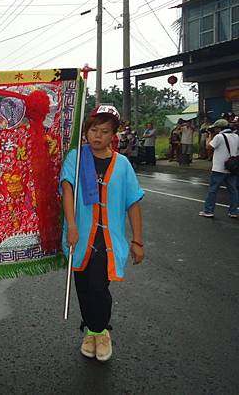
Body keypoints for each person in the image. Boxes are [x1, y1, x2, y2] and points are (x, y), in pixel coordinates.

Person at [60, 105, 144, 362]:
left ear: (113, 135)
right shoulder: (76, 158)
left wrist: (137, 240)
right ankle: (90, 330)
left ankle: (100, 331)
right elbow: (67, 189)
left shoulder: (123, 164)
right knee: (83, 286)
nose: (97, 136)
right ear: (86, 132)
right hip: (81, 236)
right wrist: (72, 226)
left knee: (99, 286)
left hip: (108, 240)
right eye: (93, 130)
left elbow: (133, 202)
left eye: (104, 131)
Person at [199, 119, 239, 219]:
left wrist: (209, 136)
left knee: (213, 190)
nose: (215, 130)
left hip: (219, 169)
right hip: (232, 168)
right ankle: (233, 211)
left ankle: (209, 211)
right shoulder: (236, 136)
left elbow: (208, 147)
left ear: (219, 128)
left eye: (216, 128)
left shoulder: (219, 137)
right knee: (233, 190)